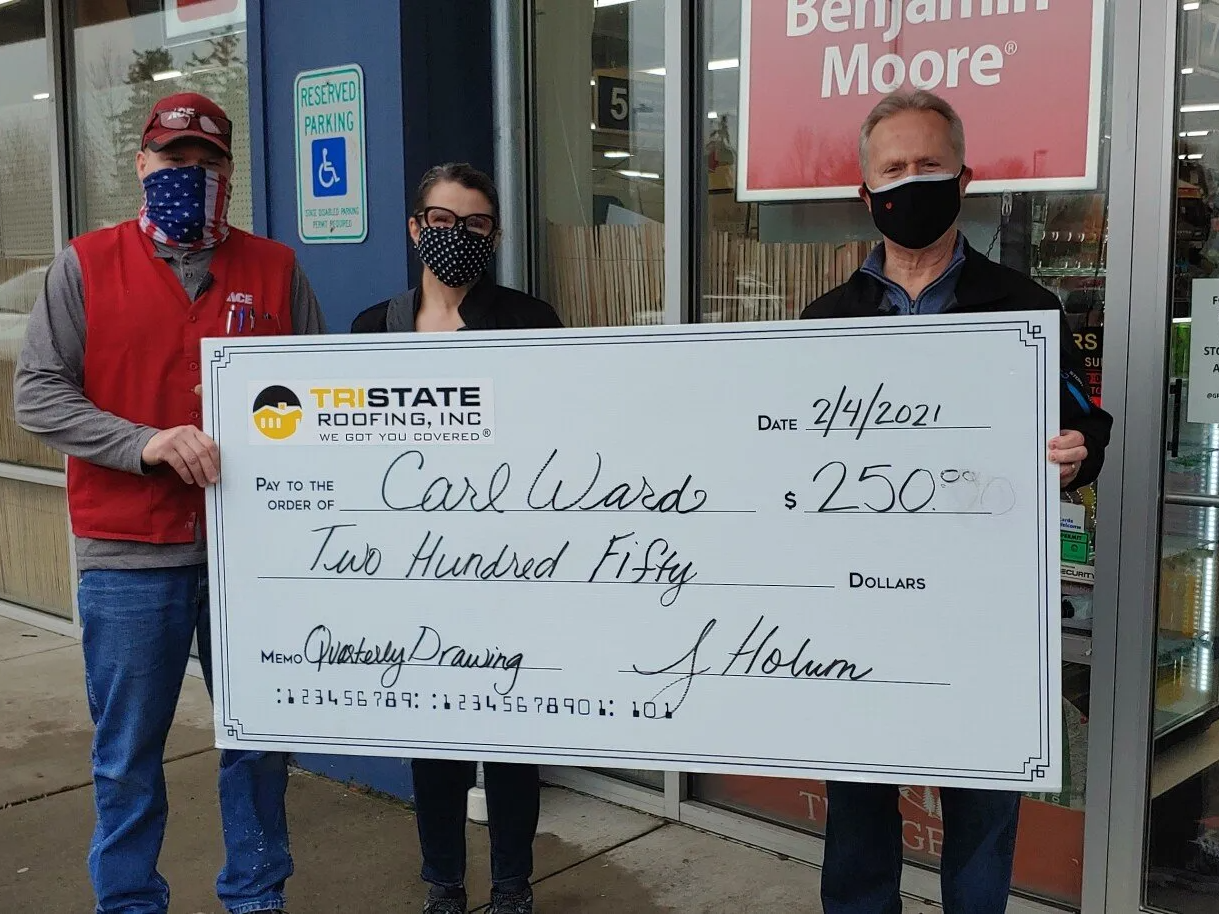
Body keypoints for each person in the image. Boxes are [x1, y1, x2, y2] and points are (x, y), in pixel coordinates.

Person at [801, 90, 1114, 914]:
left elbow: (1083, 425)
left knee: (978, 816)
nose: (912, 181)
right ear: (865, 194)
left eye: (928, 165)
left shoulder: (1025, 310)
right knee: (859, 813)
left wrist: (1076, 459)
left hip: (985, 608)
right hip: (858, 609)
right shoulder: (822, 322)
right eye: (893, 169)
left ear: (963, 179)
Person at [14, 91, 325, 914]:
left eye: (207, 162)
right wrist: (143, 443)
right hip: (128, 556)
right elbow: (38, 395)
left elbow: (317, 403)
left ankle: (256, 896)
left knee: (259, 744)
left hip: (247, 557)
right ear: (142, 166)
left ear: (229, 172)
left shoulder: (276, 270)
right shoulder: (85, 264)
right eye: (172, 160)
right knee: (127, 755)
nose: (189, 173)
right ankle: (128, 903)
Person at [352, 162, 561, 914]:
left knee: (512, 738)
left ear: (495, 235)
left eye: (476, 225)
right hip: (417, 570)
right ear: (415, 229)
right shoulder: (373, 328)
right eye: (442, 222)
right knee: (432, 739)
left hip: (510, 563)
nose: (459, 237)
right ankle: (442, 882)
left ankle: (511, 885)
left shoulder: (533, 322)